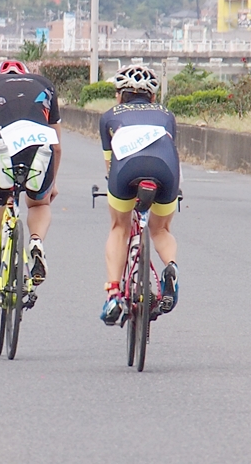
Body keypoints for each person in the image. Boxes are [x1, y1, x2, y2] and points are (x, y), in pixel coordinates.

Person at [0, 60, 62, 328]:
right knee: (38, 203)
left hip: (0, 147)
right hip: (40, 146)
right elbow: (57, 146)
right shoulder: (45, 85)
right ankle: (36, 242)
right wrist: (51, 183)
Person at [98, 64, 180, 325]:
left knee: (119, 227)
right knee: (161, 230)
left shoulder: (109, 116)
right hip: (166, 170)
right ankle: (171, 267)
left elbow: (109, 164)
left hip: (126, 170)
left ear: (119, 95)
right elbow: (170, 147)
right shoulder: (167, 114)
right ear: (153, 96)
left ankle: (114, 295)